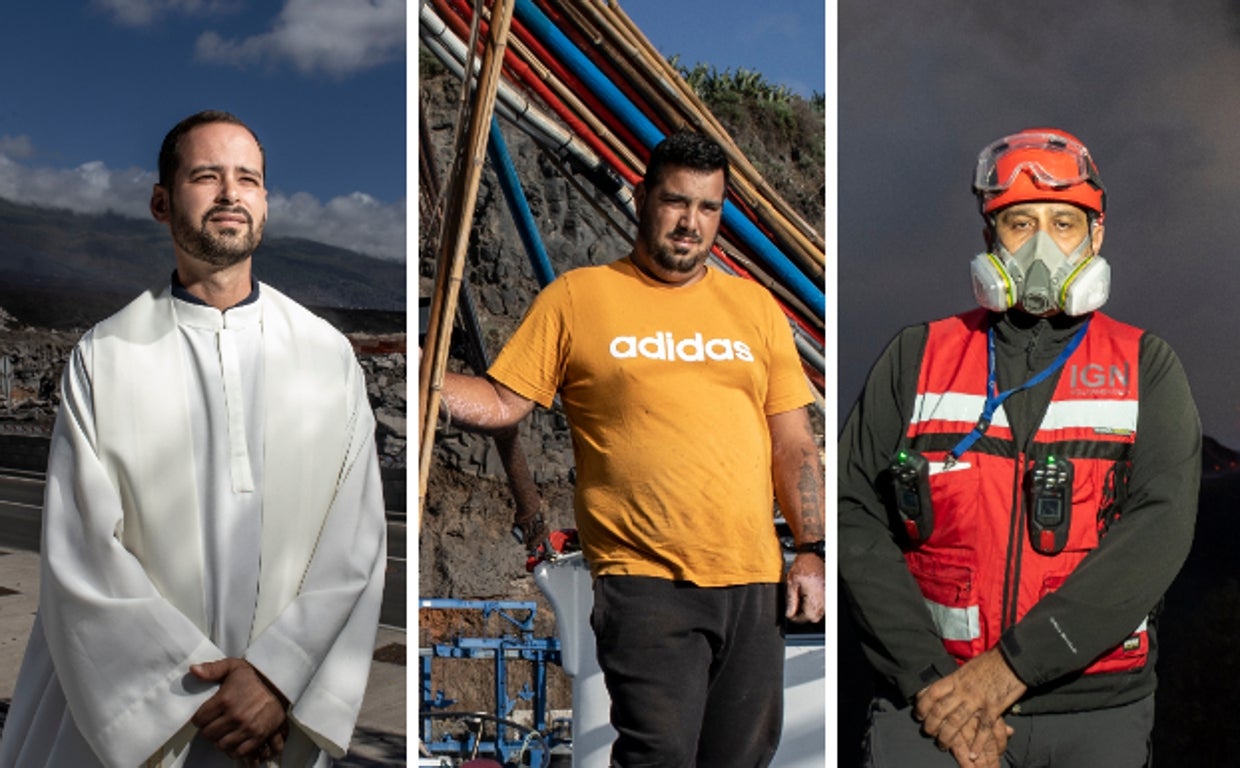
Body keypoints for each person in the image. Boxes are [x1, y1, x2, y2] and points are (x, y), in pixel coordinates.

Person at [0, 110, 387, 767]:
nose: (231, 193)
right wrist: (187, 691)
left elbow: (356, 539)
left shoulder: (326, 355)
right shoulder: (107, 353)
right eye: (206, 176)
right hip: (148, 719)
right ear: (161, 202)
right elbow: (82, 550)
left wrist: (276, 676)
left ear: (266, 202)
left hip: (279, 714)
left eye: (249, 179)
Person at [436, 131, 825, 766]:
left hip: (753, 578)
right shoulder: (578, 297)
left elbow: (794, 444)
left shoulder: (754, 307)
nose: (690, 223)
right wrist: (428, 384)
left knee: (742, 758)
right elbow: (503, 401)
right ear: (642, 198)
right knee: (658, 755)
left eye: (707, 208)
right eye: (675, 202)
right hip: (643, 578)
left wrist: (810, 552)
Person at [839, 127, 1200, 767]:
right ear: (989, 238)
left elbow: (1159, 531)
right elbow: (852, 513)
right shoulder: (916, 356)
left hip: (1095, 711)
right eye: (1018, 223)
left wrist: (1008, 670)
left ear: (1096, 236)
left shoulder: (1146, 365)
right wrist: (930, 684)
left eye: (1064, 223)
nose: (1042, 245)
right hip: (928, 705)